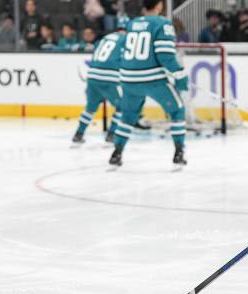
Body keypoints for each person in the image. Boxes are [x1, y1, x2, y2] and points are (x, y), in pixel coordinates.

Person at [109, 0, 188, 168]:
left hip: (129, 79)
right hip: (152, 79)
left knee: (128, 116)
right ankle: (179, 153)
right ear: (159, 6)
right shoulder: (162, 23)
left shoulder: (132, 23)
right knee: (177, 110)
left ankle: (116, 153)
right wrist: (180, 75)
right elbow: (165, 55)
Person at [72, 17, 129, 146]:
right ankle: (111, 134)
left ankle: (78, 134)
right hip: (109, 77)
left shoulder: (105, 38)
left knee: (90, 108)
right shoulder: (126, 40)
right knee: (121, 107)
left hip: (92, 76)